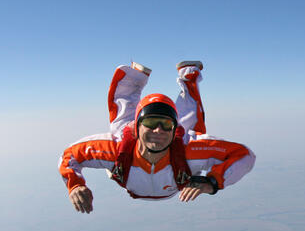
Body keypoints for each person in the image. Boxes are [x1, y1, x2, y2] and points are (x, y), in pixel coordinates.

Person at [59, 61, 255, 213]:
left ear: (173, 128)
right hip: (132, 145)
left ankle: (188, 78)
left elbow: (244, 155)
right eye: (151, 123)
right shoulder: (114, 149)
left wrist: (212, 182)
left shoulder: (190, 149)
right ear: (137, 128)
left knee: (191, 123)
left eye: (166, 125)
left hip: (169, 151)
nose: (158, 131)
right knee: (122, 117)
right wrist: (75, 184)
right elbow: (69, 156)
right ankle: (135, 76)